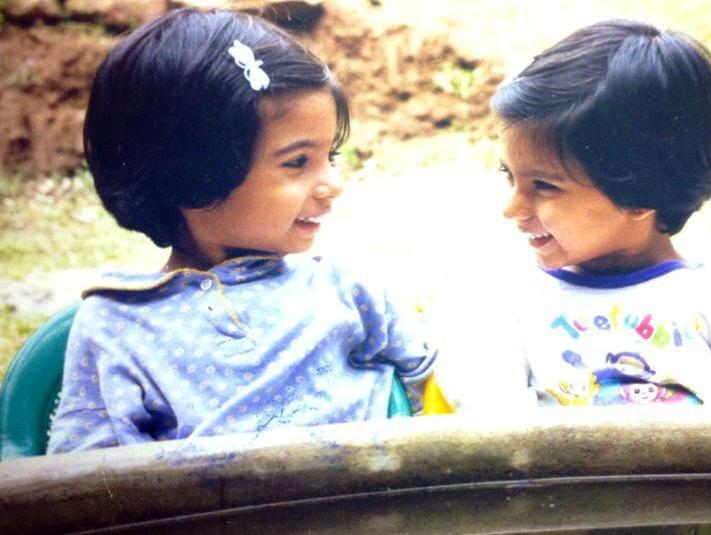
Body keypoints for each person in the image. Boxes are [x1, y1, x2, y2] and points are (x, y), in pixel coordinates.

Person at [47, 8, 434, 454]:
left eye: (331, 157)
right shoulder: (118, 323)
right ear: (194, 175)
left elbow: (437, 392)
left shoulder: (346, 288)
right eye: (297, 162)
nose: (332, 185)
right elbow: (81, 477)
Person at [427, 19, 711, 414]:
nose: (511, 209)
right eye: (509, 176)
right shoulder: (501, 303)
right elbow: (493, 430)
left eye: (543, 186)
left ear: (640, 195)